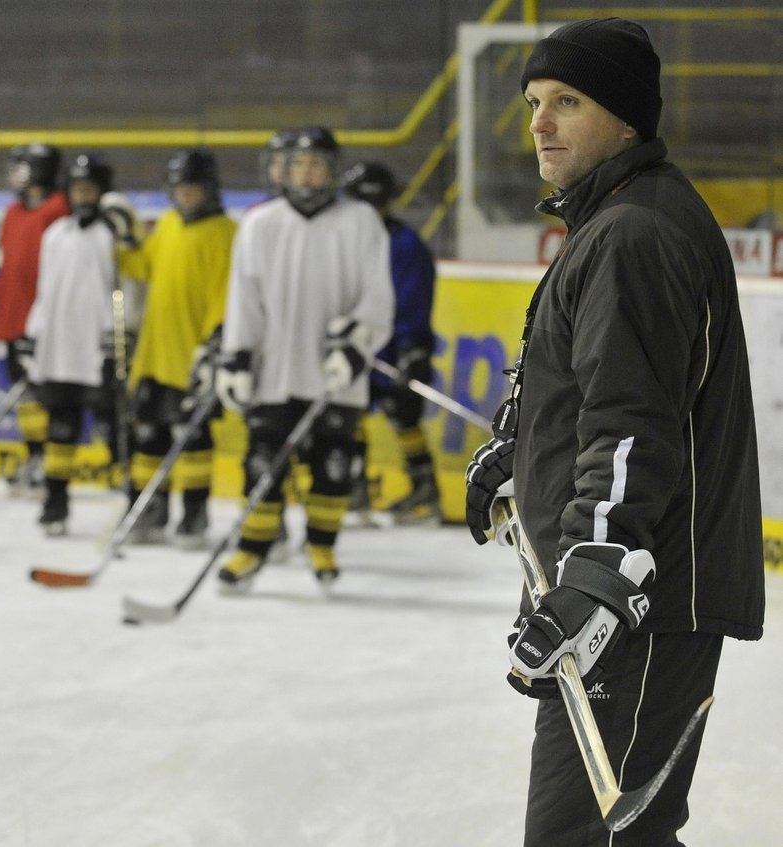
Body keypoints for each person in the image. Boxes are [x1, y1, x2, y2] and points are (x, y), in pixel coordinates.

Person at [464, 19, 764, 845]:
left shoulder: (633, 232)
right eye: (533, 101)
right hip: (637, 591)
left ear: (627, 119)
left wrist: (598, 571)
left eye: (567, 101)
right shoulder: (615, 218)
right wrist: (517, 444)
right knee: (624, 833)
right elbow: (590, 383)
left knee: (586, 835)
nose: (540, 122)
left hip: (639, 599)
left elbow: (633, 423)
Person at [215, 127, 395, 588]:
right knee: (261, 463)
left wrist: (357, 347)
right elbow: (244, 299)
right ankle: (252, 550)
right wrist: (236, 357)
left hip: (336, 372)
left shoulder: (361, 221)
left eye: (316, 163)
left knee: (333, 466)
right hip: (274, 370)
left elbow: (377, 296)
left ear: (331, 170)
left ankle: (321, 547)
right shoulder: (260, 223)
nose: (307, 172)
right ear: (284, 169)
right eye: (298, 164)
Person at [116, 148, 237, 548]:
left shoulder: (225, 233)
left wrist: (215, 343)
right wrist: (120, 241)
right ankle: (148, 509)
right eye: (180, 189)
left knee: (194, 439)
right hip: (155, 354)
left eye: (193, 189)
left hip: (193, 358)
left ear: (210, 190)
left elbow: (226, 295)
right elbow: (143, 267)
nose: (185, 196)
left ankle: (194, 512)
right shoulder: (167, 225)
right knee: (149, 436)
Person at [23, 152, 122, 535]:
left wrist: (119, 338)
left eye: (90, 189)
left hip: (99, 351)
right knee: (59, 429)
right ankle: (56, 502)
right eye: (77, 189)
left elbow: (120, 290)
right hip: (60, 350)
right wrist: (34, 336)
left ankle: (137, 500)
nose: (83, 196)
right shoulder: (55, 235)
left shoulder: (110, 235)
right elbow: (47, 292)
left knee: (113, 428)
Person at [341, 160, 440, 524]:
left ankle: (424, 491)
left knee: (404, 415)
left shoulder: (403, 244)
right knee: (348, 417)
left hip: (396, 347)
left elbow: (414, 298)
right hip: (358, 344)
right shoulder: (348, 243)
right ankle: (354, 490)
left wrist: (412, 347)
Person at [0, 142, 69, 495]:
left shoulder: (58, 209)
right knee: (26, 399)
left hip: (42, 324)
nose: (15, 175)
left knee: (45, 395)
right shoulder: (13, 213)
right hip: (12, 317)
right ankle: (36, 458)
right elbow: (9, 266)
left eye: (22, 167)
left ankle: (51, 463)